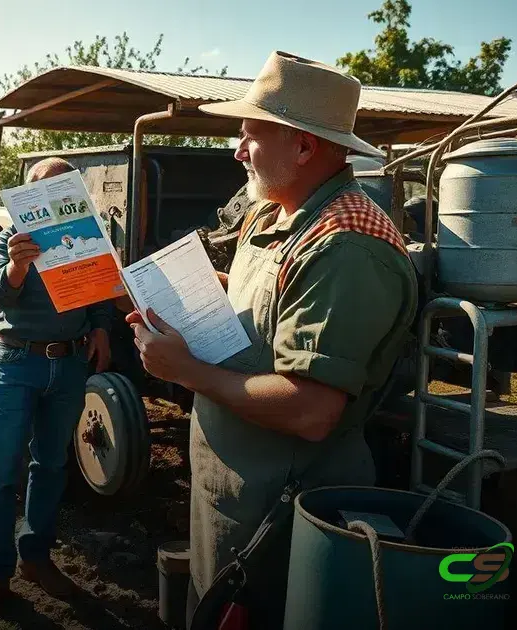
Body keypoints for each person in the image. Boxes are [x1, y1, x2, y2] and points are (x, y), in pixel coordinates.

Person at [125, 51, 418, 629]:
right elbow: (274, 303)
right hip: (237, 492)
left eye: (250, 135)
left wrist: (185, 371)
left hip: (278, 509)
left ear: (305, 147)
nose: (237, 151)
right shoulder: (279, 213)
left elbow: (311, 410)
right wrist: (205, 289)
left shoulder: (346, 247)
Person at [0, 157, 114, 618]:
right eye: (39, 190)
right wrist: (16, 268)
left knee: (51, 464)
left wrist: (102, 327)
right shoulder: (10, 239)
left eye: (61, 187)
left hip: (68, 364)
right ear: (26, 197)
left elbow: (99, 291)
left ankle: (36, 558)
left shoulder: (86, 236)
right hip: (16, 361)